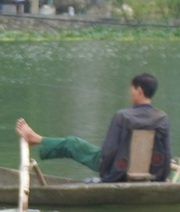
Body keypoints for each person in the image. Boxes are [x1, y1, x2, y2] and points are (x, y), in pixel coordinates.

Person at [15, 73, 170, 184]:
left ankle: (37, 139)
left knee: (73, 143)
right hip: (153, 173)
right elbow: (166, 151)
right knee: (76, 144)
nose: (130, 93)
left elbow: (109, 150)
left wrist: (106, 176)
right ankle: (38, 140)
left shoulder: (122, 116)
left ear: (139, 90)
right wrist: (164, 177)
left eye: (132, 89)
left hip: (117, 171)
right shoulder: (162, 118)